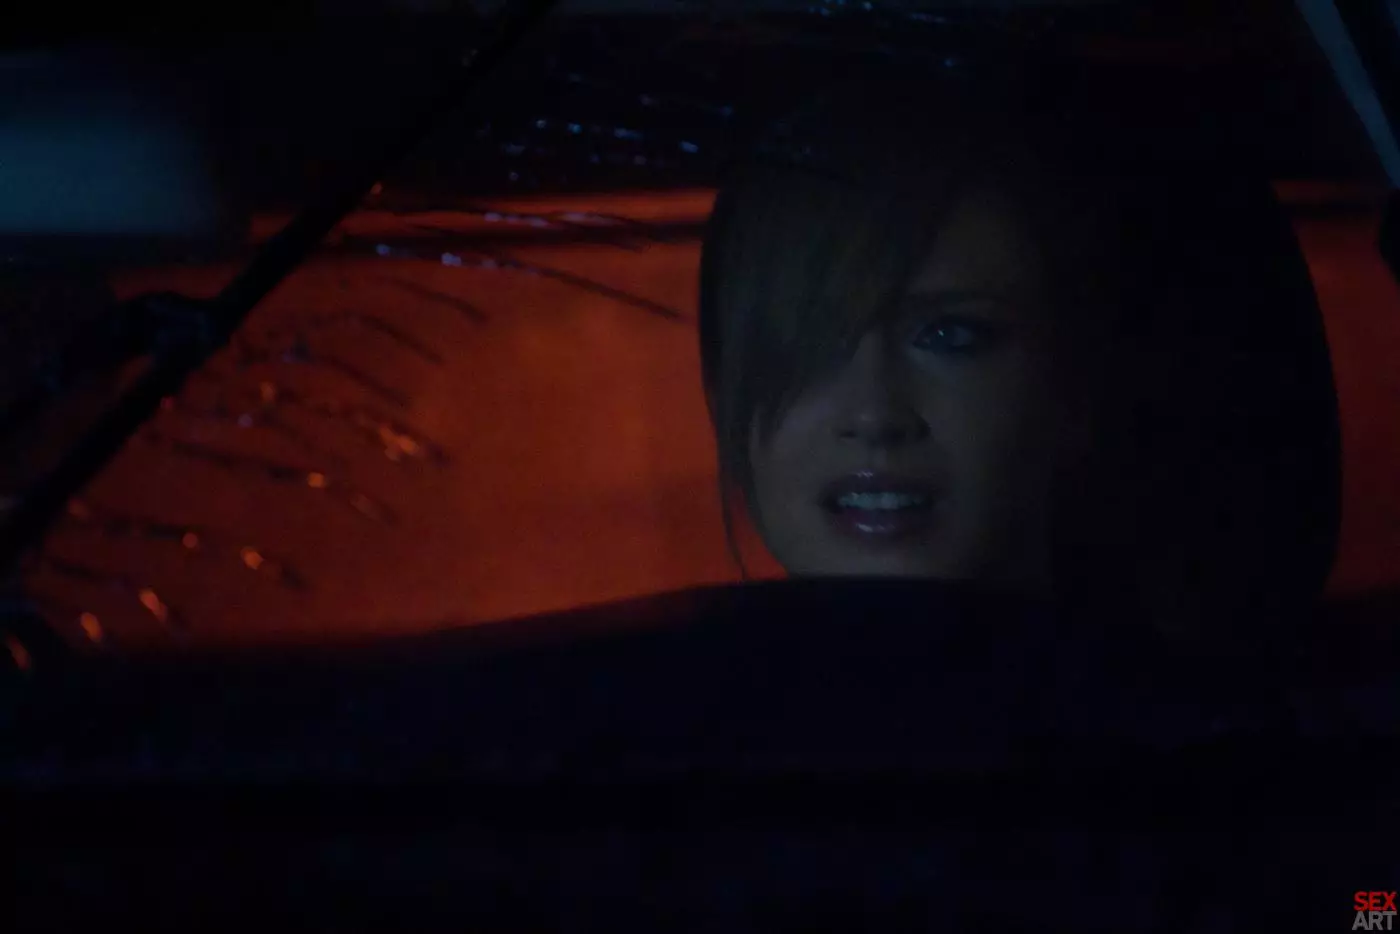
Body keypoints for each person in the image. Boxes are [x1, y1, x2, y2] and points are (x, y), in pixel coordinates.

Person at [698, 61, 1340, 643]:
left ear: (1072, 387)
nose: (874, 414)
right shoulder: (668, 719)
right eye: (810, 340)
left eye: (951, 337)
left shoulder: (1205, 726)